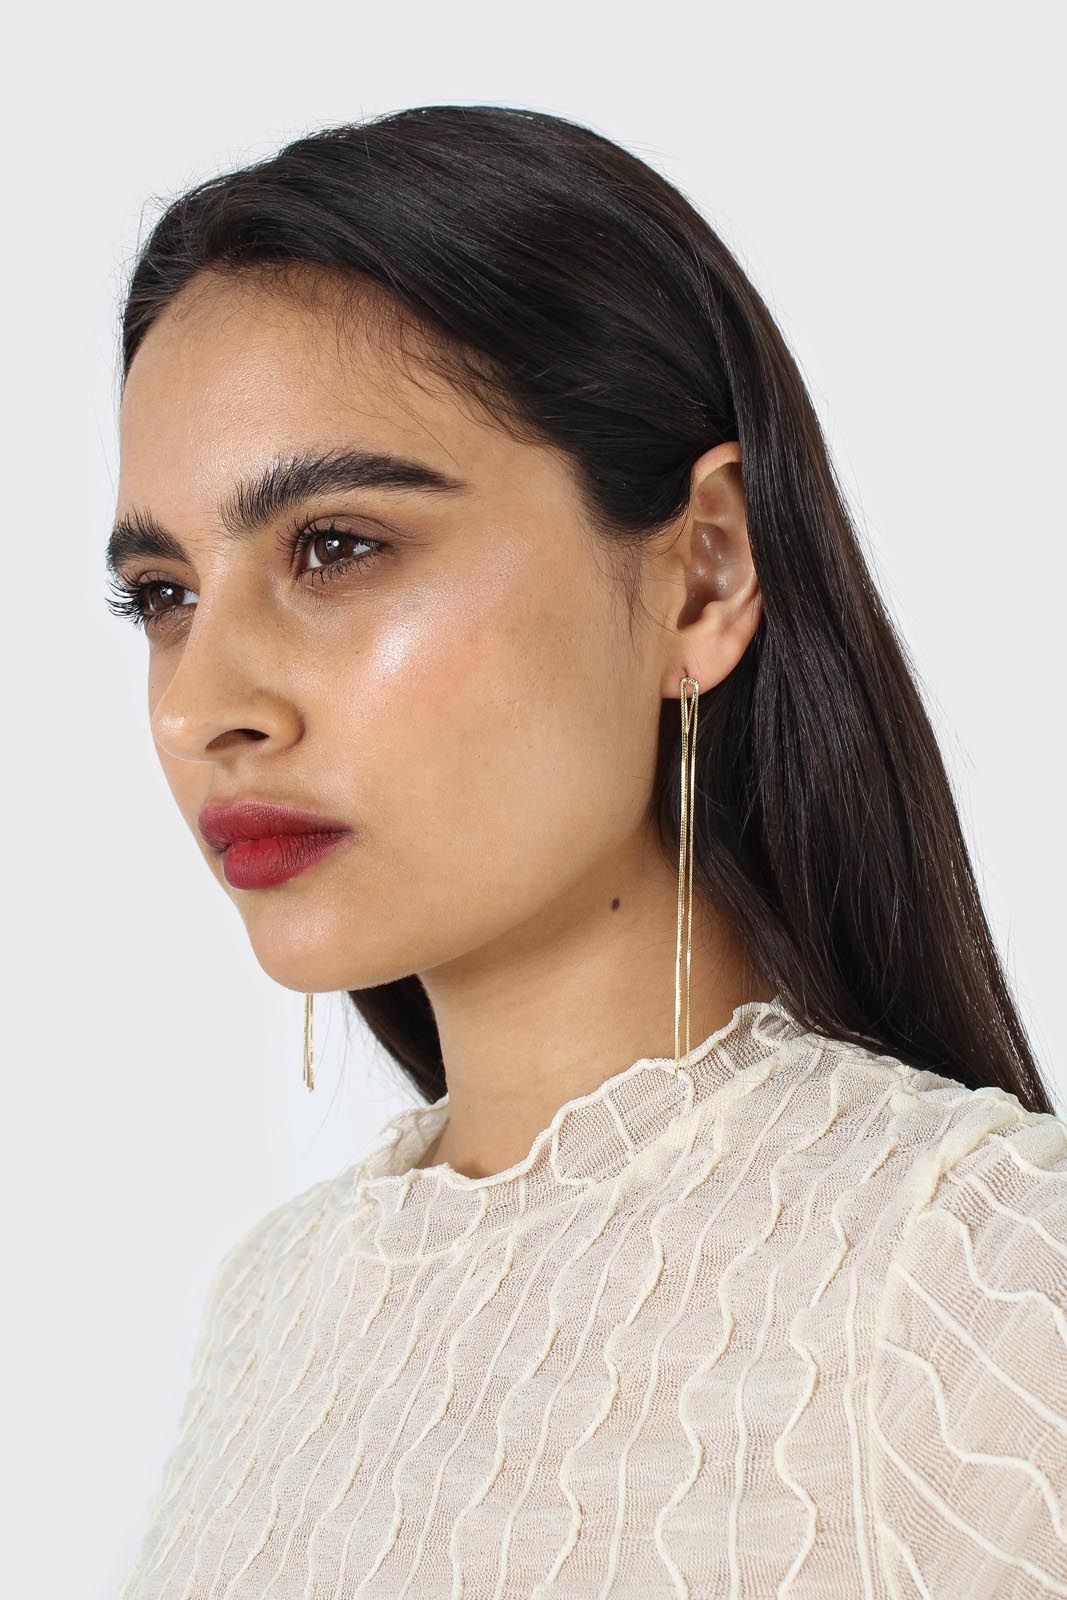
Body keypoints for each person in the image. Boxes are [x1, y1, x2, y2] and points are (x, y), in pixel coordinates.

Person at [109, 105, 1067, 1598]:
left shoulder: (981, 1287)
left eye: (337, 547)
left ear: (703, 577)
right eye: (163, 593)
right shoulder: (272, 1308)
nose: (199, 706)